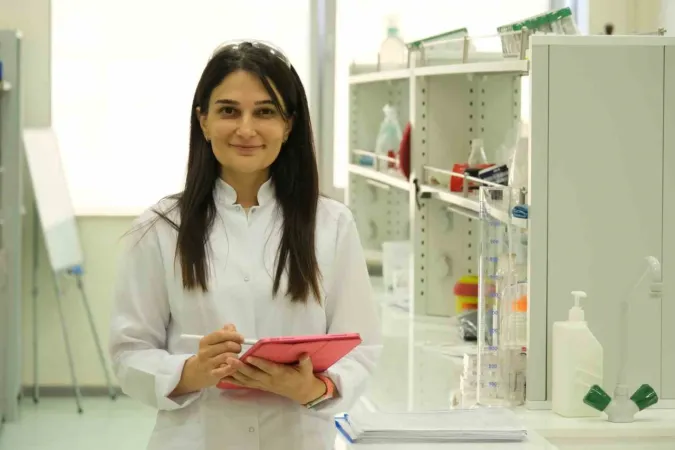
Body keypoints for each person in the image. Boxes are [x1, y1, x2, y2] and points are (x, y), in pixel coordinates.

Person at [108, 40, 382, 450]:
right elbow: (129, 352)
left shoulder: (332, 224)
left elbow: (361, 347)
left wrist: (313, 388)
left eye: (265, 112)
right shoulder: (160, 228)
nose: (246, 128)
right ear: (203, 121)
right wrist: (191, 372)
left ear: (288, 125)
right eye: (229, 111)